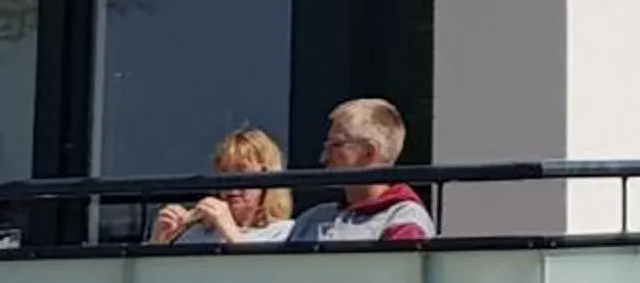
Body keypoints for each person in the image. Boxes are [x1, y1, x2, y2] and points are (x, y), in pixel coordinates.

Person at [285, 98, 434, 243]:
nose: (323, 158)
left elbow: (400, 267)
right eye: (326, 147)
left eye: (336, 145)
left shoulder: (403, 220)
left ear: (369, 152)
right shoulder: (311, 219)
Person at [148, 126, 295, 247]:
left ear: (267, 178)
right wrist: (158, 242)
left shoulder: (285, 232)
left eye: (241, 172)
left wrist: (230, 232)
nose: (230, 183)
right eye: (224, 172)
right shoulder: (197, 234)